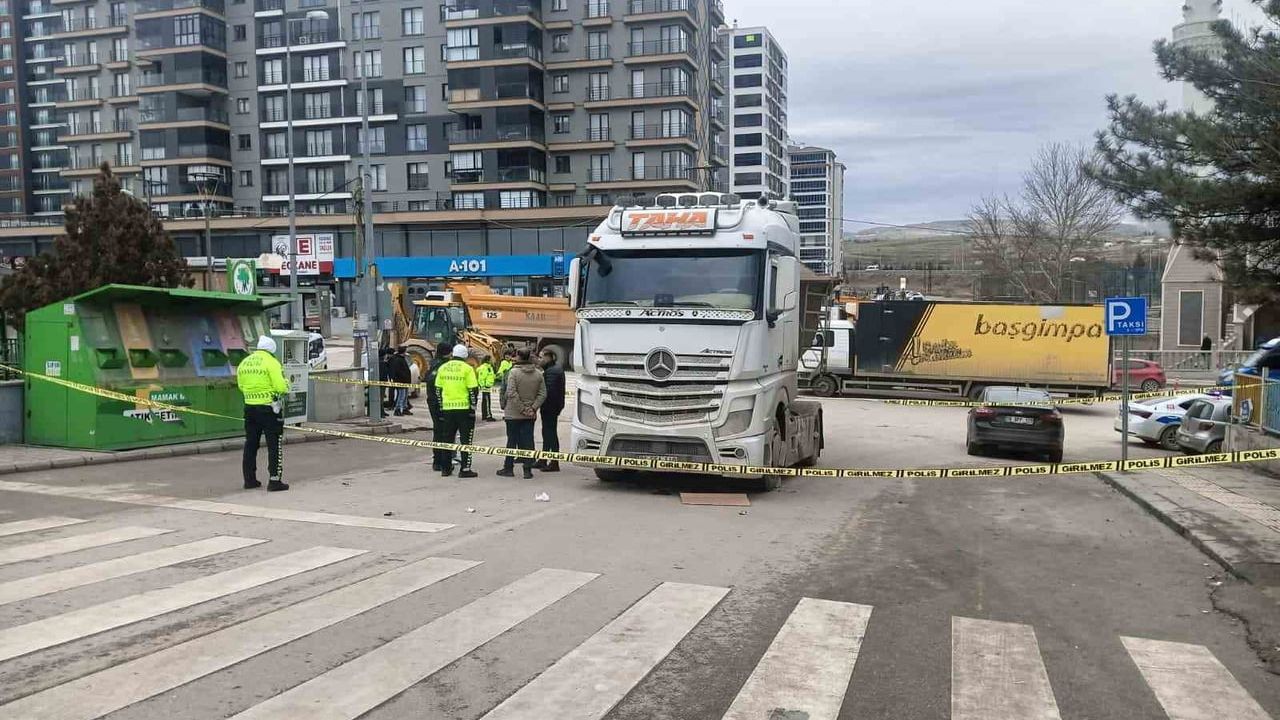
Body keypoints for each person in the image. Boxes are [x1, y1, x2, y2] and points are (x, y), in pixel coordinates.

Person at [237, 335, 290, 492]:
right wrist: (287, 383)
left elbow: (240, 384)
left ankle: (249, 480)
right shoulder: (272, 362)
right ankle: (274, 481)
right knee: (274, 445)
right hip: (269, 409)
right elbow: (281, 387)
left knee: (251, 444)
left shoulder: (245, 362)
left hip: (249, 408)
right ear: (272, 350)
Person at [498, 348, 546, 479]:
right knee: (528, 441)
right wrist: (532, 408)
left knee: (511, 441)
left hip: (513, 413)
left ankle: (508, 468)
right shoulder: (538, 374)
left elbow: (511, 392)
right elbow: (542, 394)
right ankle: (527, 469)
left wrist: (521, 408)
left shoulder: (513, 373)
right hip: (530, 415)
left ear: (519, 357)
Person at [434, 344, 479, 478]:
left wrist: (441, 408)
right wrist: (472, 408)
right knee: (466, 440)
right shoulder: (467, 369)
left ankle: (445, 468)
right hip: (464, 410)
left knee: (447, 439)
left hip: (448, 409)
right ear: (465, 356)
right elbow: (473, 391)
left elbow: (438, 390)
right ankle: (465, 469)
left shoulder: (443, 367)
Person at [533, 349, 565, 472]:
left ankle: (554, 462)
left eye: (541, 358)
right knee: (547, 433)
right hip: (552, 407)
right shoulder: (552, 369)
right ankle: (543, 459)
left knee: (550, 434)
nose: (539, 360)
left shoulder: (552, 372)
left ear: (549, 358)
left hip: (550, 407)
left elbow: (548, 392)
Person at [426, 341, 453, 471]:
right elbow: (435, 384)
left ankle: (438, 460)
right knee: (443, 432)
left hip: (433, 402)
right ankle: (441, 461)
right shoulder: (442, 366)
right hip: (439, 403)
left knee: (438, 431)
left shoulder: (433, 363)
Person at [388, 346, 413, 416]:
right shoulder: (398, 360)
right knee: (401, 396)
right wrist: (404, 377)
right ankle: (397, 409)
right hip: (401, 381)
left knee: (405, 396)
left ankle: (405, 408)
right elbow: (399, 371)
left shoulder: (401, 359)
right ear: (404, 351)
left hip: (405, 381)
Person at [477, 353, 497, 421]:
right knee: (487, 401)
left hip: (487, 386)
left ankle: (485, 415)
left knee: (485, 401)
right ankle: (488, 415)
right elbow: (482, 377)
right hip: (486, 387)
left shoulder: (488, 367)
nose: (492, 361)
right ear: (488, 360)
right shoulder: (485, 367)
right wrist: (484, 385)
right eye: (491, 360)